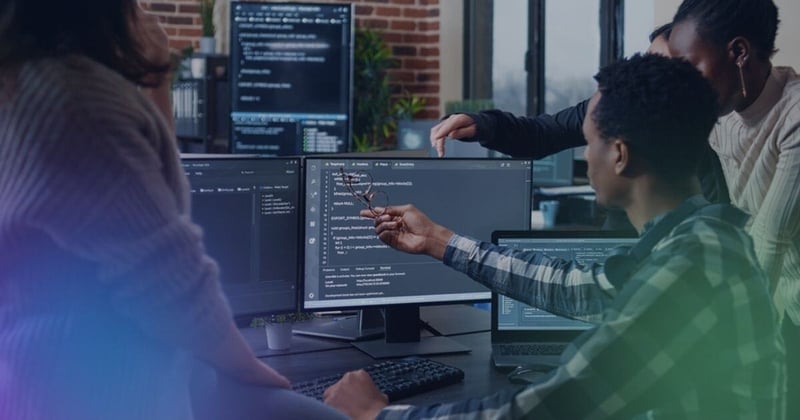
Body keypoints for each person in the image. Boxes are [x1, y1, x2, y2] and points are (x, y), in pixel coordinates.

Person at [324, 54, 785, 419]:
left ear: (620, 154)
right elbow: (579, 287)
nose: (585, 155)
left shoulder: (693, 267)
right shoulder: (697, 239)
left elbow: (546, 409)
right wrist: (438, 240)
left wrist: (375, 415)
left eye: (588, 142)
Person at [0, 1, 345, 419]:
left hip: (90, 374)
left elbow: (158, 188)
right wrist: (247, 367)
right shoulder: (73, 97)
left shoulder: (38, 80)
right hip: (89, 389)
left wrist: (155, 77)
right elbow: (169, 277)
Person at [430, 23, 730, 232]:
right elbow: (539, 134)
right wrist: (482, 124)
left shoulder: (704, 153)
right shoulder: (613, 106)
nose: (646, 75)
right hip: (615, 251)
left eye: (662, 67)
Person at [667, 0, 800, 417]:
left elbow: (770, 240)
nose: (683, 83)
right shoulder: (720, 109)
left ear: (739, 52)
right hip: (773, 303)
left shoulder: (794, 115)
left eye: (690, 66)